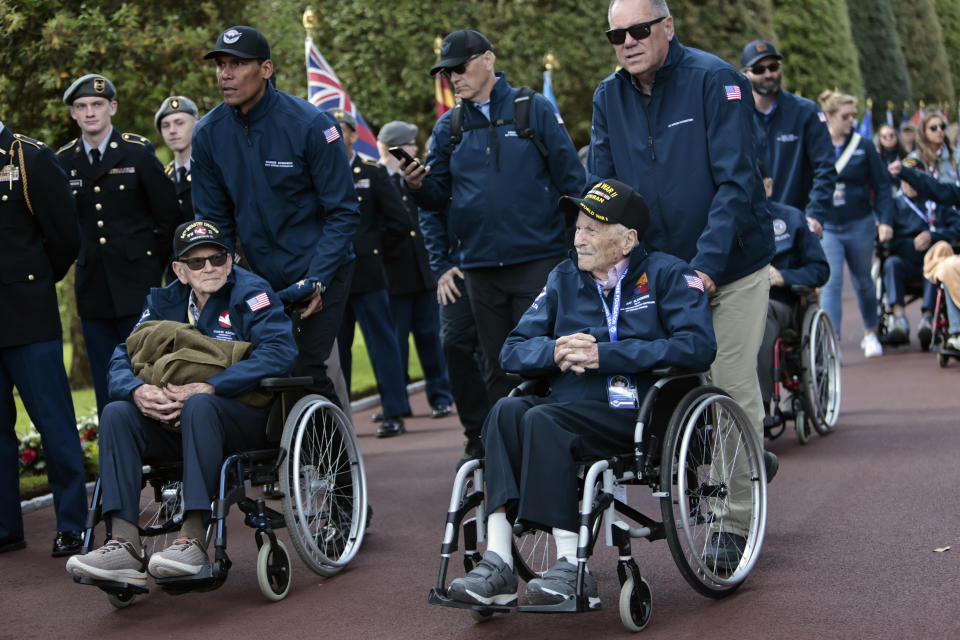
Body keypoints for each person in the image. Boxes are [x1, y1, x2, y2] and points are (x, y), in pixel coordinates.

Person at [446, 180, 716, 607]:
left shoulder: (669, 274)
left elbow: (697, 346)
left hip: (636, 414)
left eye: (593, 228)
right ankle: (498, 561)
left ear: (627, 239)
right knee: (505, 411)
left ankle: (573, 567)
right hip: (567, 407)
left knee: (541, 419)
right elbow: (512, 350)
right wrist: (553, 350)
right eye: (578, 227)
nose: (579, 238)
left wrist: (606, 355)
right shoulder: (563, 277)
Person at [586, 0, 777, 561]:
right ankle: (739, 460)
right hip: (660, 272)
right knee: (662, 389)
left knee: (729, 383)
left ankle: (734, 522)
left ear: (668, 27)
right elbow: (604, 191)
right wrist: (602, 259)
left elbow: (736, 184)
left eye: (639, 29)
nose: (627, 42)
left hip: (732, 267)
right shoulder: (606, 96)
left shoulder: (715, 80)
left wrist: (707, 268)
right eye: (615, 34)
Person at [65, 220, 297, 585]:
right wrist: (136, 391)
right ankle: (122, 543)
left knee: (199, 406)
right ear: (179, 270)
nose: (208, 268)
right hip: (173, 420)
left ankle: (192, 538)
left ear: (230, 259)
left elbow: (280, 352)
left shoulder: (252, 293)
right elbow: (121, 357)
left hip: (242, 418)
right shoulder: (162, 301)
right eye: (196, 262)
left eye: (217, 258)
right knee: (117, 413)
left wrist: (212, 386)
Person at [402, 29, 586, 405]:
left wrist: (578, 250)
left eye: (460, 67)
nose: (453, 78)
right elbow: (435, 200)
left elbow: (573, 183)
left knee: (542, 359)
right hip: (481, 268)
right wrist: (416, 186)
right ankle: (497, 449)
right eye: (447, 72)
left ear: (489, 60)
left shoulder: (533, 108)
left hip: (539, 259)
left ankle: (552, 442)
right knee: (496, 366)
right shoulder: (447, 127)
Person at [191, 26, 360, 406]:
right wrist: (222, 281)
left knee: (306, 369)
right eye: (220, 65)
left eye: (237, 63)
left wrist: (318, 279)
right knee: (257, 369)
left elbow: (343, 212)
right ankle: (281, 464)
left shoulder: (314, 125)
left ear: (266, 68)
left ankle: (337, 463)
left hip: (322, 266)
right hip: (259, 275)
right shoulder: (207, 135)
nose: (225, 74)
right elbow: (214, 225)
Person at [57, 73, 180, 417]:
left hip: (136, 284)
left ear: (112, 107)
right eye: (81, 106)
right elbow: (62, 226)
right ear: (73, 114)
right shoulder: (64, 160)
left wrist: (149, 263)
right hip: (93, 286)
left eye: (97, 104)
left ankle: (158, 460)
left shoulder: (137, 152)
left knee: (148, 370)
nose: (90, 112)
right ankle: (117, 462)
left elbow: (167, 217)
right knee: (105, 377)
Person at [0, 120, 88, 557]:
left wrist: (33, 283)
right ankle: (5, 527)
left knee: (53, 423)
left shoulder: (28, 156)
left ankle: (72, 523)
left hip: (28, 316)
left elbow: (65, 236)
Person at [330, 109, 412, 438]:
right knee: (337, 353)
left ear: (353, 135)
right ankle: (340, 418)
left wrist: (377, 253)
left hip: (368, 275)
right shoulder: (317, 172)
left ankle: (395, 411)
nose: (336, 136)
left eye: (342, 130)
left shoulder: (373, 172)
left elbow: (400, 222)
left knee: (383, 345)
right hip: (333, 277)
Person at [376, 121, 455, 421]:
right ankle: (397, 401)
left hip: (423, 272)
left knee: (431, 338)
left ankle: (440, 396)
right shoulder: (375, 177)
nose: (415, 149)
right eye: (409, 144)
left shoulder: (422, 175)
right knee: (394, 344)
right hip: (393, 276)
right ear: (395, 147)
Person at [817, 90, 894, 358]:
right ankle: (833, 341)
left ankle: (870, 332)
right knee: (832, 282)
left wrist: (884, 220)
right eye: (845, 116)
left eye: (853, 115)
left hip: (859, 222)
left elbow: (882, 186)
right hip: (828, 225)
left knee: (863, 280)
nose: (851, 120)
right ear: (828, 117)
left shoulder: (864, 145)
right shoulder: (817, 143)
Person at [419, 192, 491, 466]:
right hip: (457, 266)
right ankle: (476, 434)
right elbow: (428, 205)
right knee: (453, 341)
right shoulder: (445, 147)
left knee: (495, 348)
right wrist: (441, 266)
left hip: (504, 260)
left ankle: (503, 430)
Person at [741, 39, 836, 237]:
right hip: (749, 226)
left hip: (798, 225)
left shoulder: (805, 112)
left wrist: (815, 215)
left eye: (773, 67)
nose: (768, 74)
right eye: (759, 69)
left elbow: (825, 167)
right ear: (744, 74)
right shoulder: (736, 115)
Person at [756, 172, 829, 416]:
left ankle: (760, 407)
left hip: (780, 302)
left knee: (761, 312)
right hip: (737, 300)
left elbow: (820, 270)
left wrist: (785, 277)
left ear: (768, 186)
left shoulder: (792, 218)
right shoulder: (727, 222)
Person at [877, 161, 959, 345]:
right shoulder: (894, 204)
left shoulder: (937, 204)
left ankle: (928, 319)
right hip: (903, 260)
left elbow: (956, 227)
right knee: (891, 264)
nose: (911, 184)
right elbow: (885, 239)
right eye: (906, 180)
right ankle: (899, 319)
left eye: (914, 179)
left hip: (930, 260)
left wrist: (933, 236)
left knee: (937, 265)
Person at [155, 96, 199, 225]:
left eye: (179, 123)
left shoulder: (212, 169)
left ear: (196, 126)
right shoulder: (163, 176)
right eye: (165, 126)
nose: (172, 131)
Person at [907, 113, 958, 185]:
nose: (939, 130)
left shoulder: (956, 156)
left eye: (942, 127)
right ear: (924, 132)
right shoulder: (913, 158)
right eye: (933, 128)